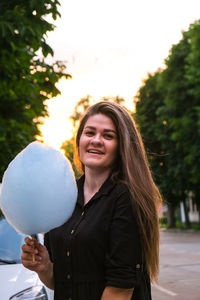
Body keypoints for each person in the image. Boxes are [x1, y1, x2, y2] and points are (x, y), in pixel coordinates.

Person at [21, 101, 162, 300]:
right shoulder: (63, 195)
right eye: (90, 133)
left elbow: (120, 289)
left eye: (108, 136)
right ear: (79, 140)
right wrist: (43, 267)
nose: (96, 140)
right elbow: (60, 281)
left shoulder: (127, 197)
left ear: (122, 146)